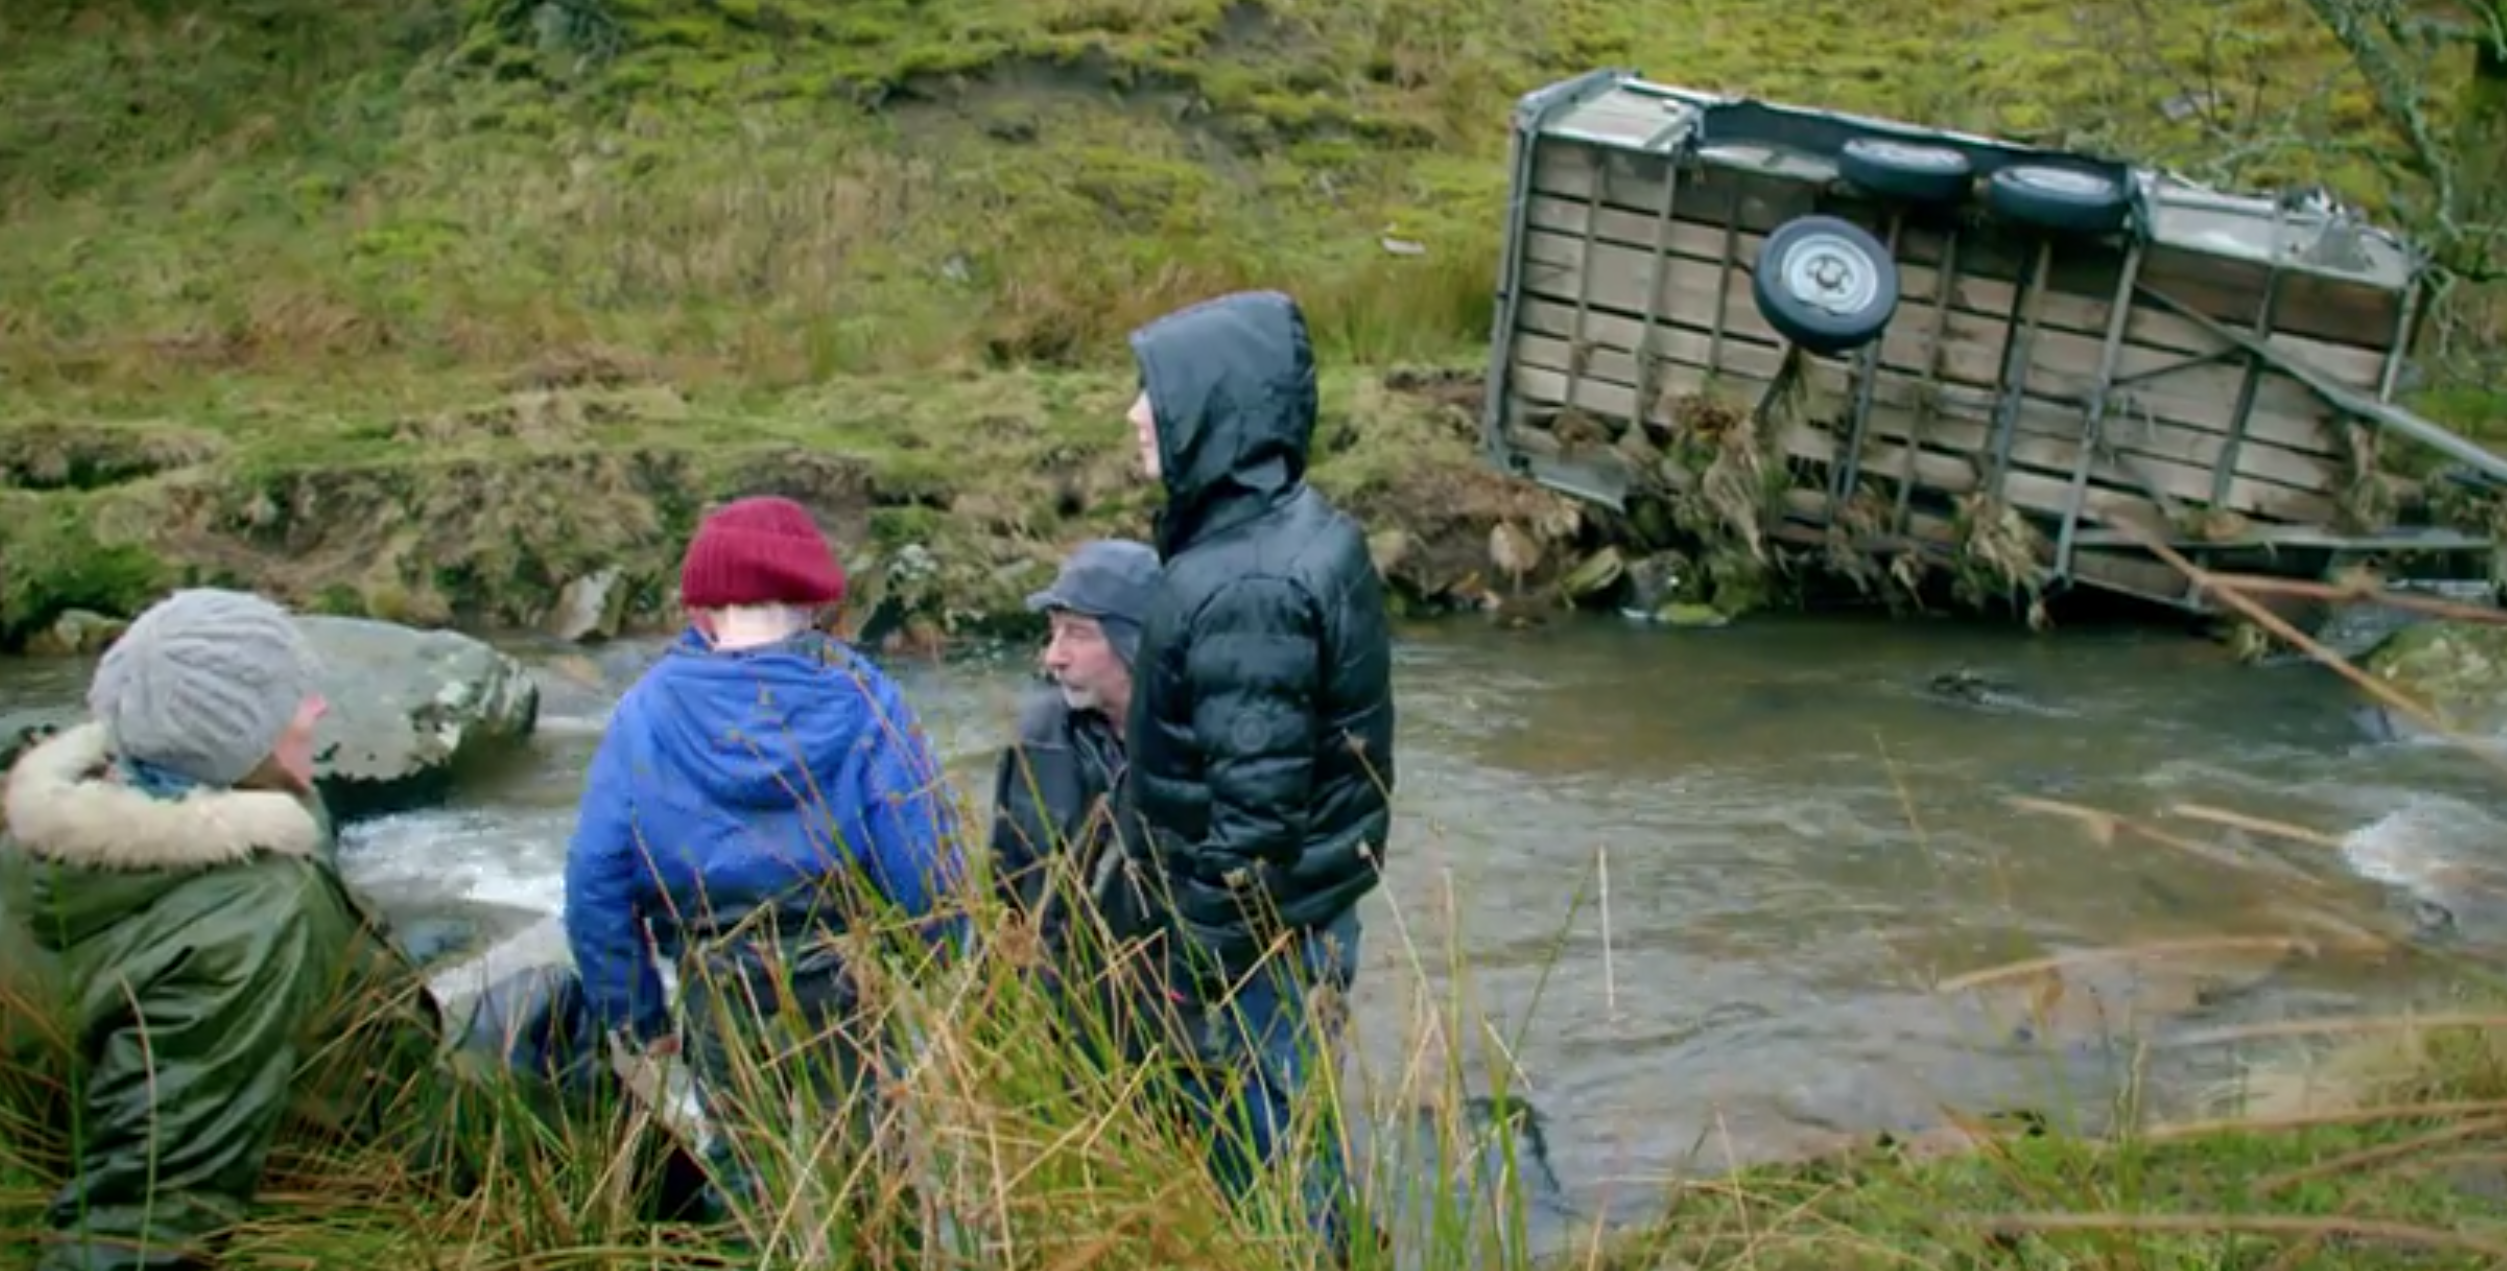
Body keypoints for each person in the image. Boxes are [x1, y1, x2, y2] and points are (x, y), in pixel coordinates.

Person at [0, 589, 452, 1271]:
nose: (318, 708)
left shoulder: (34, 841)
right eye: (293, 699)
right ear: (234, 736)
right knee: (550, 1018)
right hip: (370, 1163)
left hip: (252, 1088)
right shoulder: (250, 920)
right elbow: (141, 1221)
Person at [561, 495, 964, 1239]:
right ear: (814, 603)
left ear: (705, 609)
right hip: (843, 970)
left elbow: (595, 873)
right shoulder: (861, 692)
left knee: (747, 1170)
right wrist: (941, 953)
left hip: (718, 978)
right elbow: (921, 851)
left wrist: (635, 1010)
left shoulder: (646, 708)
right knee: (873, 1161)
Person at [1121, 290, 1397, 1259]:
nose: (1132, 416)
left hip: (1261, 939)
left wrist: (1191, 960)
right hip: (1304, 914)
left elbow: (1253, 821)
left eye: (1151, 394)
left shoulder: (1244, 583)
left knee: (1268, 1162)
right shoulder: (1285, 532)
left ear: (1215, 405)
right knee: (1292, 1136)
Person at [986, 538, 1165, 1053]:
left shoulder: (1196, 742)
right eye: (1052, 633)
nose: (1053, 657)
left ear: (1136, 642)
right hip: (1062, 1016)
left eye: (1078, 635)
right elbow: (1007, 890)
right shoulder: (1037, 734)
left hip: (1173, 1020)